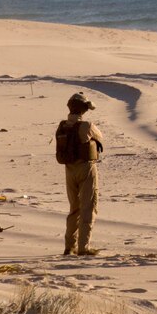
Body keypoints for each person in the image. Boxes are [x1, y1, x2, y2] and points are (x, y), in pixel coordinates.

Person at [56, 92, 103, 256]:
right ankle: (84, 247)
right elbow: (100, 136)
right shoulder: (86, 126)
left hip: (69, 170)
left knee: (74, 209)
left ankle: (69, 246)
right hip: (85, 168)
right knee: (88, 207)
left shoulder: (63, 126)